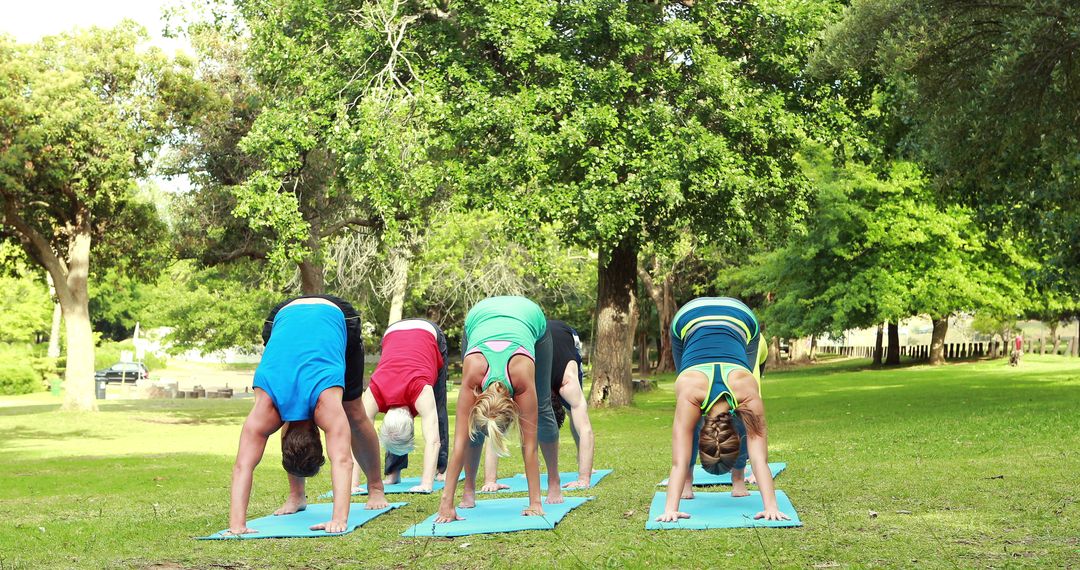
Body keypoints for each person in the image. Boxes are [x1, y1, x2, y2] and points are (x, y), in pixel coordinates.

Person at [226, 295, 388, 536]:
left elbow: (243, 466)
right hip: (282, 316)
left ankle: (375, 487)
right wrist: (236, 525)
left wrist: (339, 520)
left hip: (336, 315)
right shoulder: (270, 408)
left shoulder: (323, 405)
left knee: (353, 411)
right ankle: (296, 496)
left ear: (317, 432)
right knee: (336, 415)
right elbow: (341, 460)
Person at [657, 297, 787, 523]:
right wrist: (771, 507)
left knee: (685, 388)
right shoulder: (747, 390)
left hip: (708, 316)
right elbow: (759, 460)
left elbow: (679, 461)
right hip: (730, 316)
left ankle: (685, 487)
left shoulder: (698, 392)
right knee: (685, 380)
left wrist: (671, 509)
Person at [435, 296, 559, 523]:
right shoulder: (472, 374)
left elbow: (529, 446)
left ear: (514, 410)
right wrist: (446, 504)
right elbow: (459, 443)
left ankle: (554, 482)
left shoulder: (521, 374)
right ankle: (468, 489)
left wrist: (535, 503)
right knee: (468, 433)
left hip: (528, 314)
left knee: (542, 406)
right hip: (479, 316)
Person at [480, 319, 595, 491]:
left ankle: (584, 465)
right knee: (506, 416)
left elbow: (585, 430)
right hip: (534, 331)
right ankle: (529, 466)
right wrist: (490, 481)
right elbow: (496, 425)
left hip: (566, 334)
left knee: (576, 413)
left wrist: (583, 479)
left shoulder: (568, 384)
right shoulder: (524, 384)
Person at [359, 318, 450, 493]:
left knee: (437, 408)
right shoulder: (373, 393)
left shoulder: (422, 391)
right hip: (392, 334)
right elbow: (359, 438)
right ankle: (393, 472)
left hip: (429, 333)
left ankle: (440, 470)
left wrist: (426, 484)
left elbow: (433, 440)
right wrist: (353, 484)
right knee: (396, 433)